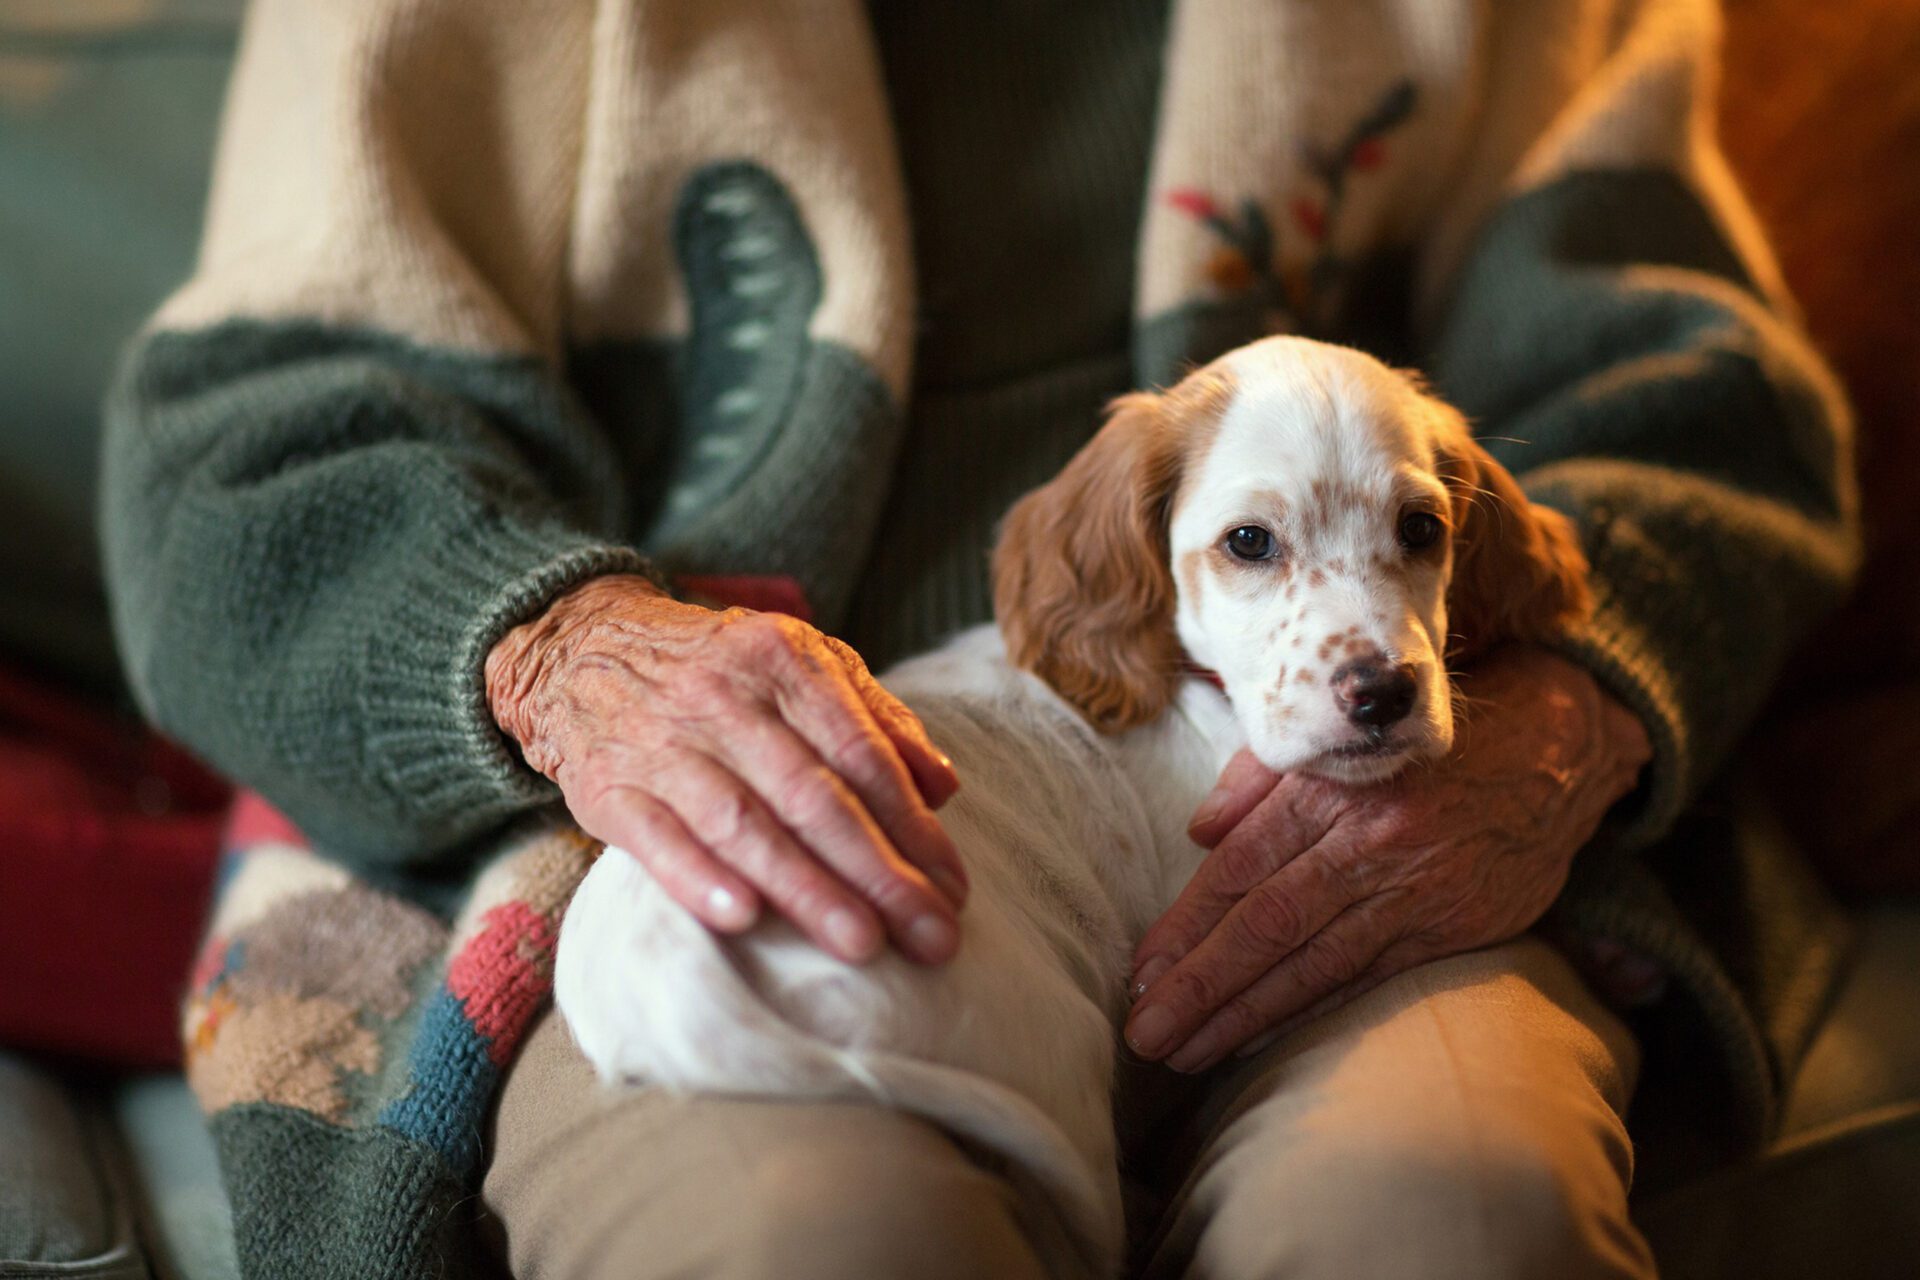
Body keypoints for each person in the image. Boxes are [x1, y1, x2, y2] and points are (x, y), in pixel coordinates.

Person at [102, 1, 1859, 1277]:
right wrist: (566, 654)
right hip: (678, 845)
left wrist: (1569, 698)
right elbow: (251, 451)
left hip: (1364, 830)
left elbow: (1694, 397)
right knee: (822, 1245)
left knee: (1451, 1221)